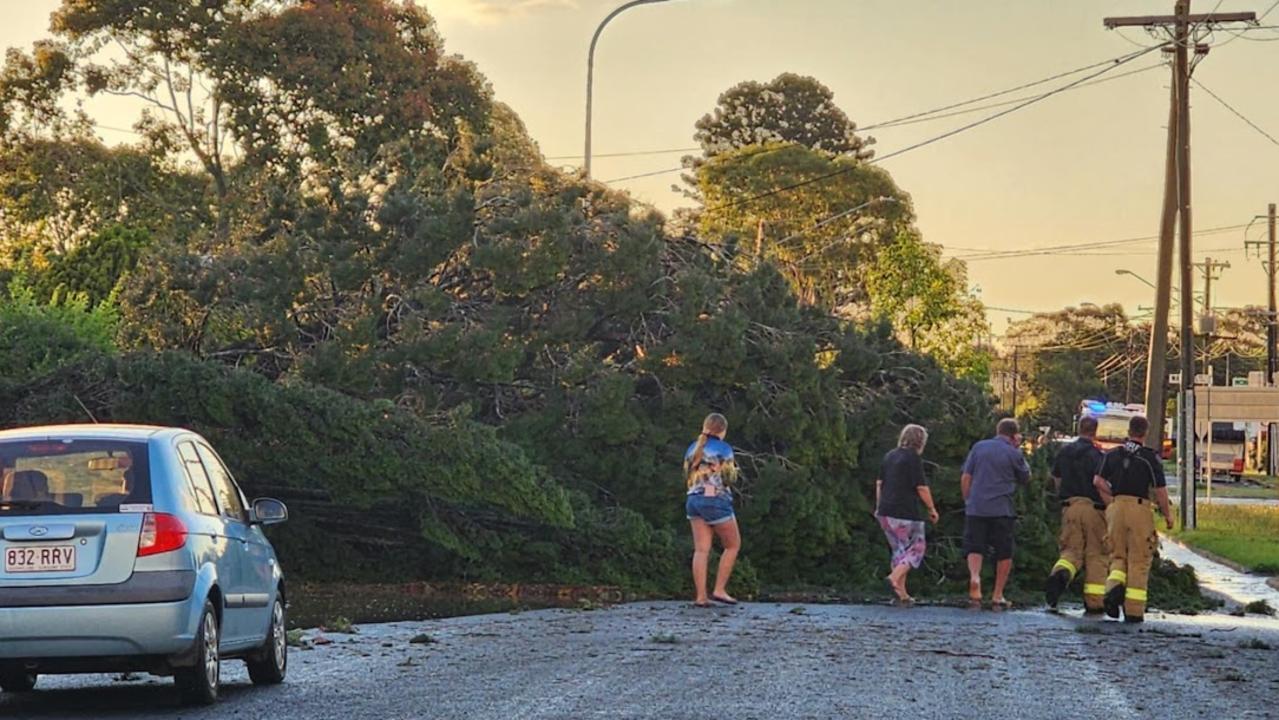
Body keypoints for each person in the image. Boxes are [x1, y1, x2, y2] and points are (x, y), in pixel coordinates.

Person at [1093, 415, 1173, 624]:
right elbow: (1160, 491)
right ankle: (1134, 611)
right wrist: (1168, 515)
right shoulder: (1149, 457)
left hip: (1116, 507)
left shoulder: (1112, 454)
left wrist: (1112, 498)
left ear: (1128, 431)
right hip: (1139, 509)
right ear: (1145, 433)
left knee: (1117, 554)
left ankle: (1112, 589)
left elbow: (1098, 480)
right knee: (1139, 560)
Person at [961, 418, 1031, 610]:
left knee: (975, 546)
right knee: (1004, 551)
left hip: (976, 506)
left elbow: (966, 477)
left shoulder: (979, 447)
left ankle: (975, 578)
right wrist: (1018, 450)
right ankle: (997, 594)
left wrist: (968, 500)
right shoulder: (1013, 452)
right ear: (1014, 435)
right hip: (1002, 508)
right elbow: (1026, 478)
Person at [1044, 417, 1108, 614]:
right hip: (1093, 508)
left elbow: (1056, 478)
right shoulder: (1098, 455)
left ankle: (1060, 573)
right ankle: (1094, 602)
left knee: (1070, 551)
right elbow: (1101, 483)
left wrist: (1061, 496)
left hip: (1069, 506)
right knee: (1096, 554)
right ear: (1095, 431)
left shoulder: (1064, 452)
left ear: (1078, 428)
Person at [875, 424, 940, 606]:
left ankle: (901, 593)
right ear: (921, 442)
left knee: (899, 550)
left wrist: (879, 507)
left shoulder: (889, 456)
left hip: (886, 512)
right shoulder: (913, 459)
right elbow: (921, 487)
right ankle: (893, 578)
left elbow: (879, 483)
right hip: (906, 512)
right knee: (916, 549)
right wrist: (931, 509)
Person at [684, 413, 741, 608]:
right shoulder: (724, 449)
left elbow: (687, 475)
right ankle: (719, 589)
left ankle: (701, 596)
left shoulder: (692, 447)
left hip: (693, 498)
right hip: (713, 497)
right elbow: (729, 478)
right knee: (732, 545)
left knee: (701, 549)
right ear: (722, 430)